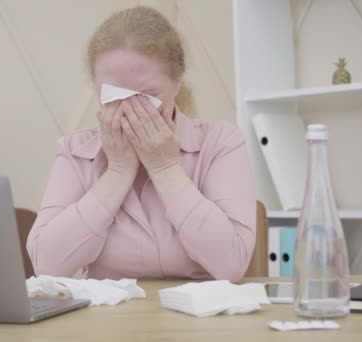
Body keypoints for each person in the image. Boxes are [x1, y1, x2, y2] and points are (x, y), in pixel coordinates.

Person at [27, 6, 255, 281]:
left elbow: (231, 265)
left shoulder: (220, 142)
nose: (130, 110)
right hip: (107, 321)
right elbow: (46, 266)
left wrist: (166, 168)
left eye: (147, 95)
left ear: (177, 83)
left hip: (200, 319)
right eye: (114, 96)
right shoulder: (75, 152)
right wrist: (117, 172)